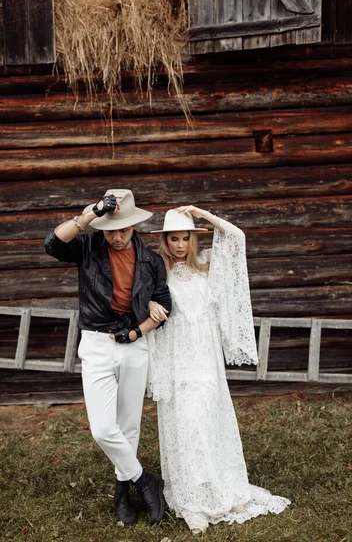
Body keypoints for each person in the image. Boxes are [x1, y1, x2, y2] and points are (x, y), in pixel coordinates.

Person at [147, 206, 290, 535]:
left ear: (193, 239)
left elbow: (236, 237)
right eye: (174, 239)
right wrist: (149, 305)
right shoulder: (156, 270)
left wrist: (202, 214)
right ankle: (191, 500)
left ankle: (222, 487)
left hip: (205, 358)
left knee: (208, 420)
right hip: (176, 356)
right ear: (165, 241)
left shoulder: (207, 264)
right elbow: (140, 298)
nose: (180, 245)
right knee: (186, 424)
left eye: (186, 238)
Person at [44, 189, 171, 527]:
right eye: (110, 230)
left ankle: (122, 496)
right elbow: (52, 245)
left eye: (122, 230)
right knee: (103, 428)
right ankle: (146, 481)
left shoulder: (151, 261)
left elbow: (163, 302)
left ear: (134, 227)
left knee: (128, 426)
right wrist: (89, 216)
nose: (116, 237)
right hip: (97, 342)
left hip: (134, 344)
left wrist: (140, 329)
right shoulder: (88, 247)